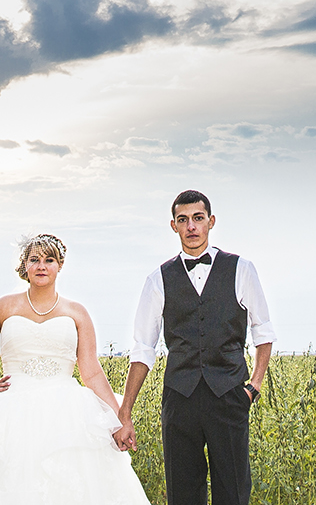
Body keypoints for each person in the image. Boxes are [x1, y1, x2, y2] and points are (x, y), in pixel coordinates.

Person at [0, 233, 151, 505]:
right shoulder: (5, 307)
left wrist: (119, 418)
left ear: (60, 265)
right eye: (34, 260)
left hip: (68, 413)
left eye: (49, 259)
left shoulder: (77, 312)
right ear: (25, 266)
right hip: (11, 410)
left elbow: (90, 372)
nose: (42, 266)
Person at [118, 190, 275, 505]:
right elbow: (143, 349)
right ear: (173, 226)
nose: (191, 226)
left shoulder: (241, 269)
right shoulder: (158, 279)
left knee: (233, 492)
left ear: (211, 222)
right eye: (183, 219)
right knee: (183, 494)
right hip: (180, 399)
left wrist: (253, 387)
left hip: (230, 396)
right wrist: (125, 412)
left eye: (198, 218)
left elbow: (264, 332)